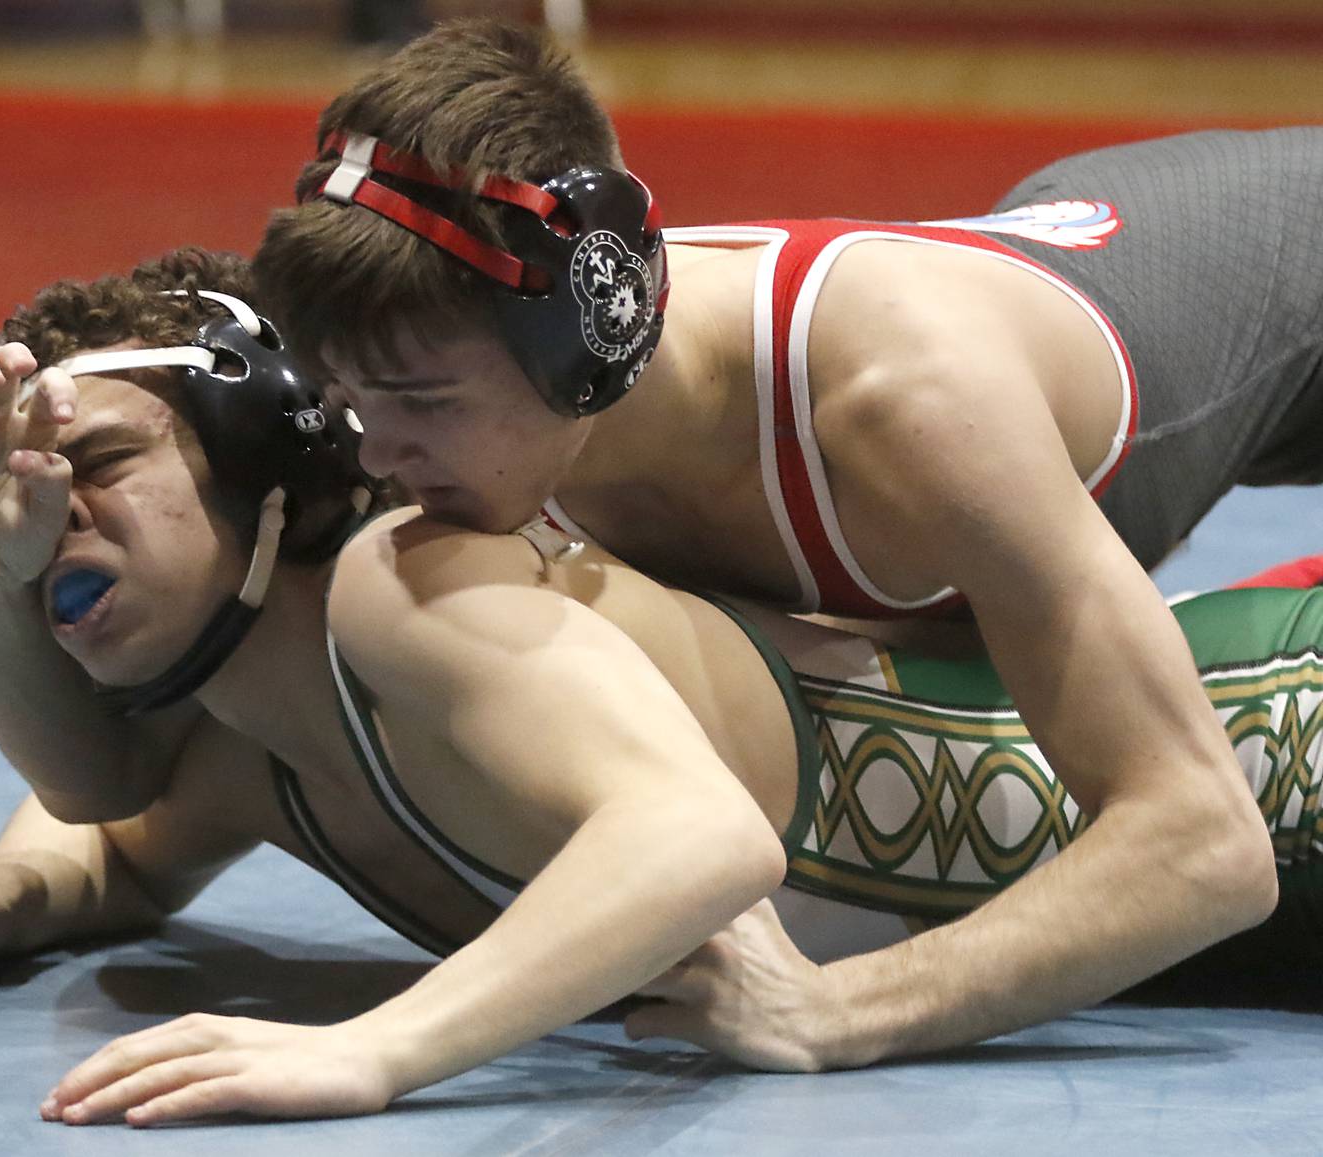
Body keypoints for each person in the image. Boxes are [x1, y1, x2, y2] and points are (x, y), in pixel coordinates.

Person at [0, 251, 1317, 1126]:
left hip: (1284, 716)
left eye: (93, 473)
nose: (50, 533)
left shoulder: (417, 590)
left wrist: (379, 1049)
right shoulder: (248, 749)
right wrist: (21, 896)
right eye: (17, 511)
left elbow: (696, 840)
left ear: (264, 465)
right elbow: (110, 822)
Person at [250, 19, 1309, 1058]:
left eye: (422, 401)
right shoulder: (496, 416)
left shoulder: (905, 401)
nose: (378, 453)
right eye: (351, 395)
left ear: (590, 343)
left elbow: (1204, 843)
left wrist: (843, 1007)